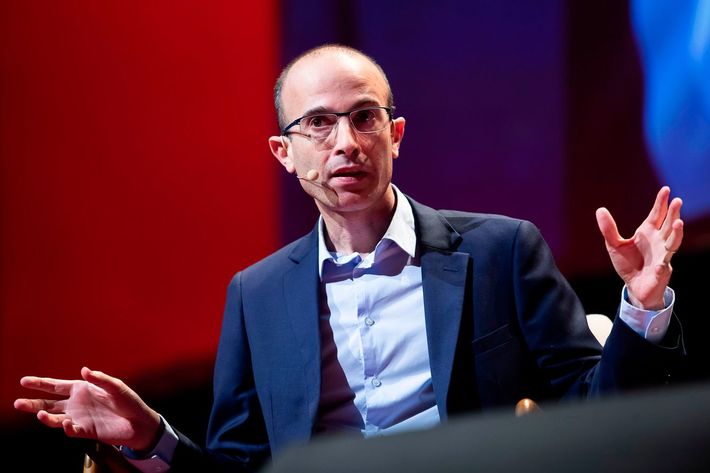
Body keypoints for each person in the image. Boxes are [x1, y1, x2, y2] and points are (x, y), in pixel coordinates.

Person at [14, 44, 686, 472]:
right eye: (318, 123)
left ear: (395, 135)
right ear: (285, 153)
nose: (346, 143)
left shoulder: (501, 251)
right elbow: (239, 469)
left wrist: (642, 304)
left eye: (365, 117)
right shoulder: (256, 295)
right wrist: (150, 436)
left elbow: (599, 413)